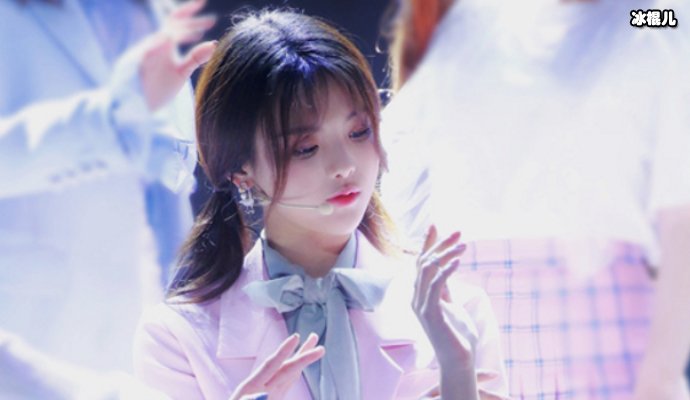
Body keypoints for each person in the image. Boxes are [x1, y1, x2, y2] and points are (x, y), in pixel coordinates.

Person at [133, 9, 509, 400]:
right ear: (241, 170)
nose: (345, 165)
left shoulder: (458, 315)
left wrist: (458, 376)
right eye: (306, 148)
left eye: (359, 132)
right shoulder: (176, 338)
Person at [380, 0, 690, 399]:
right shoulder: (452, 28)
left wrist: (661, 373)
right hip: (469, 333)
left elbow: (677, 217)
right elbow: (402, 219)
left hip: (602, 331)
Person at [0, 0, 216, 393]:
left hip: (141, 354)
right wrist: (110, 120)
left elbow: (168, 196)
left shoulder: (157, 19)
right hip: (34, 347)